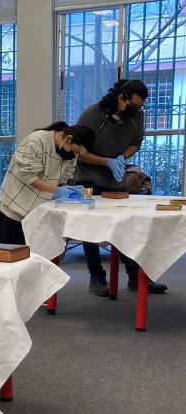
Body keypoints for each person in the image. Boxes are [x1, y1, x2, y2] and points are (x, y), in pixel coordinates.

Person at [74, 80, 166, 295]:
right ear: (121, 97)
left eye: (140, 107)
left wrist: (122, 158)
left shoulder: (136, 116)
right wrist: (106, 162)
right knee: (91, 227)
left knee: (124, 226)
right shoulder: (92, 115)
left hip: (114, 178)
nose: (136, 110)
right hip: (87, 176)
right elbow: (79, 151)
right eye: (133, 105)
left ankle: (136, 277)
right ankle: (96, 277)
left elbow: (137, 141)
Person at [0, 122, 95, 244]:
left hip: (37, 213)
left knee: (33, 258)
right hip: (14, 210)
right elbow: (29, 177)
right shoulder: (36, 141)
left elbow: (63, 179)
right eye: (76, 151)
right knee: (10, 257)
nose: (76, 155)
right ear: (69, 139)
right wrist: (58, 190)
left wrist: (69, 190)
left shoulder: (71, 155)